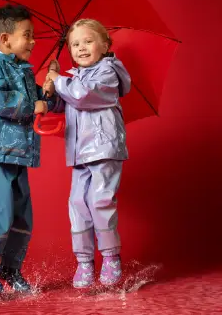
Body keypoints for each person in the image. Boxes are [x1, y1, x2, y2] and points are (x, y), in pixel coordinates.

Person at [0, 4, 57, 294]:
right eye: (27, 35)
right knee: (1, 213)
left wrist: (50, 90)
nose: (33, 42)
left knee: (22, 218)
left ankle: (10, 268)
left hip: (19, 155)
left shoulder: (22, 68)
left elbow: (41, 101)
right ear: (5, 39)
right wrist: (34, 105)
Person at [43, 18, 131, 288]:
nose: (81, 48)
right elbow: (68, 102)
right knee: (78, 204)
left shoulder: (108, 72)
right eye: (74, 44)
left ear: (105, 46)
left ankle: (110, 257)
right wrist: (50, 95)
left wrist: (59, 81)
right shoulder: (75, 77)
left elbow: (83, 96)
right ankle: (84, 261)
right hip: (80, 151)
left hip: (103, 148)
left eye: (88, 41)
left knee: (100, 201)